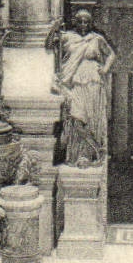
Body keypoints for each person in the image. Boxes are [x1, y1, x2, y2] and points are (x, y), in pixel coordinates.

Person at [46, 10, 116, 167]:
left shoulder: (96, 39)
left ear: (90, 23)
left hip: (93, 81)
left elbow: (111, 55)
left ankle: (88, 155)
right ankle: (78, 153)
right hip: (74, 81)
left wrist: (105, 68)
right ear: (75, 22)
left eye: (87, 22)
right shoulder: (67, 37)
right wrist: (54, 29)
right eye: (80, 21)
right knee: (76, 117)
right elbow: (50, 44)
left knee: (91, 117)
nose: (83, 25)